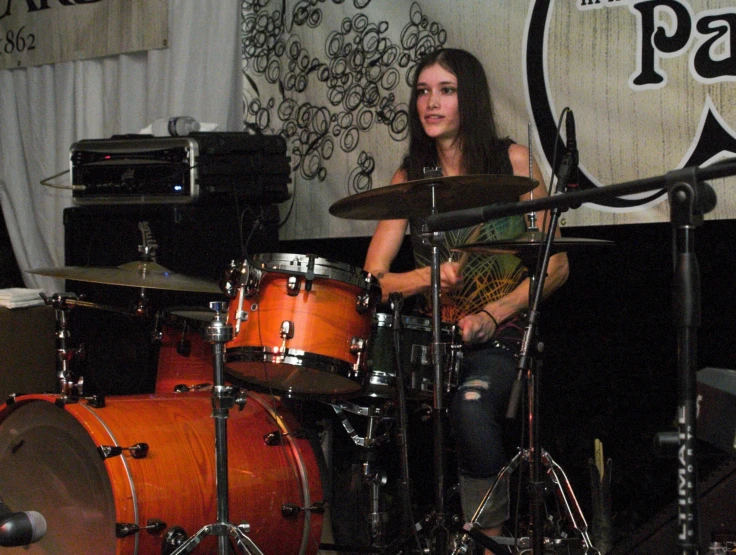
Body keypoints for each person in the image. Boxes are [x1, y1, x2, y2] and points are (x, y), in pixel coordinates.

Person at [363, 48, 570, 547]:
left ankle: (487, 540)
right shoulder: (410, 178)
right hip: (431, 342)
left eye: (446, 91)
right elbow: (373, 278)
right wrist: (424, 281)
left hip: (504, 335)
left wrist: (493, 314)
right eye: (423, 91)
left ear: (469, 99)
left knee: (472, 408)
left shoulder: (513, 163)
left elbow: (557, 265)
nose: (431, 103)